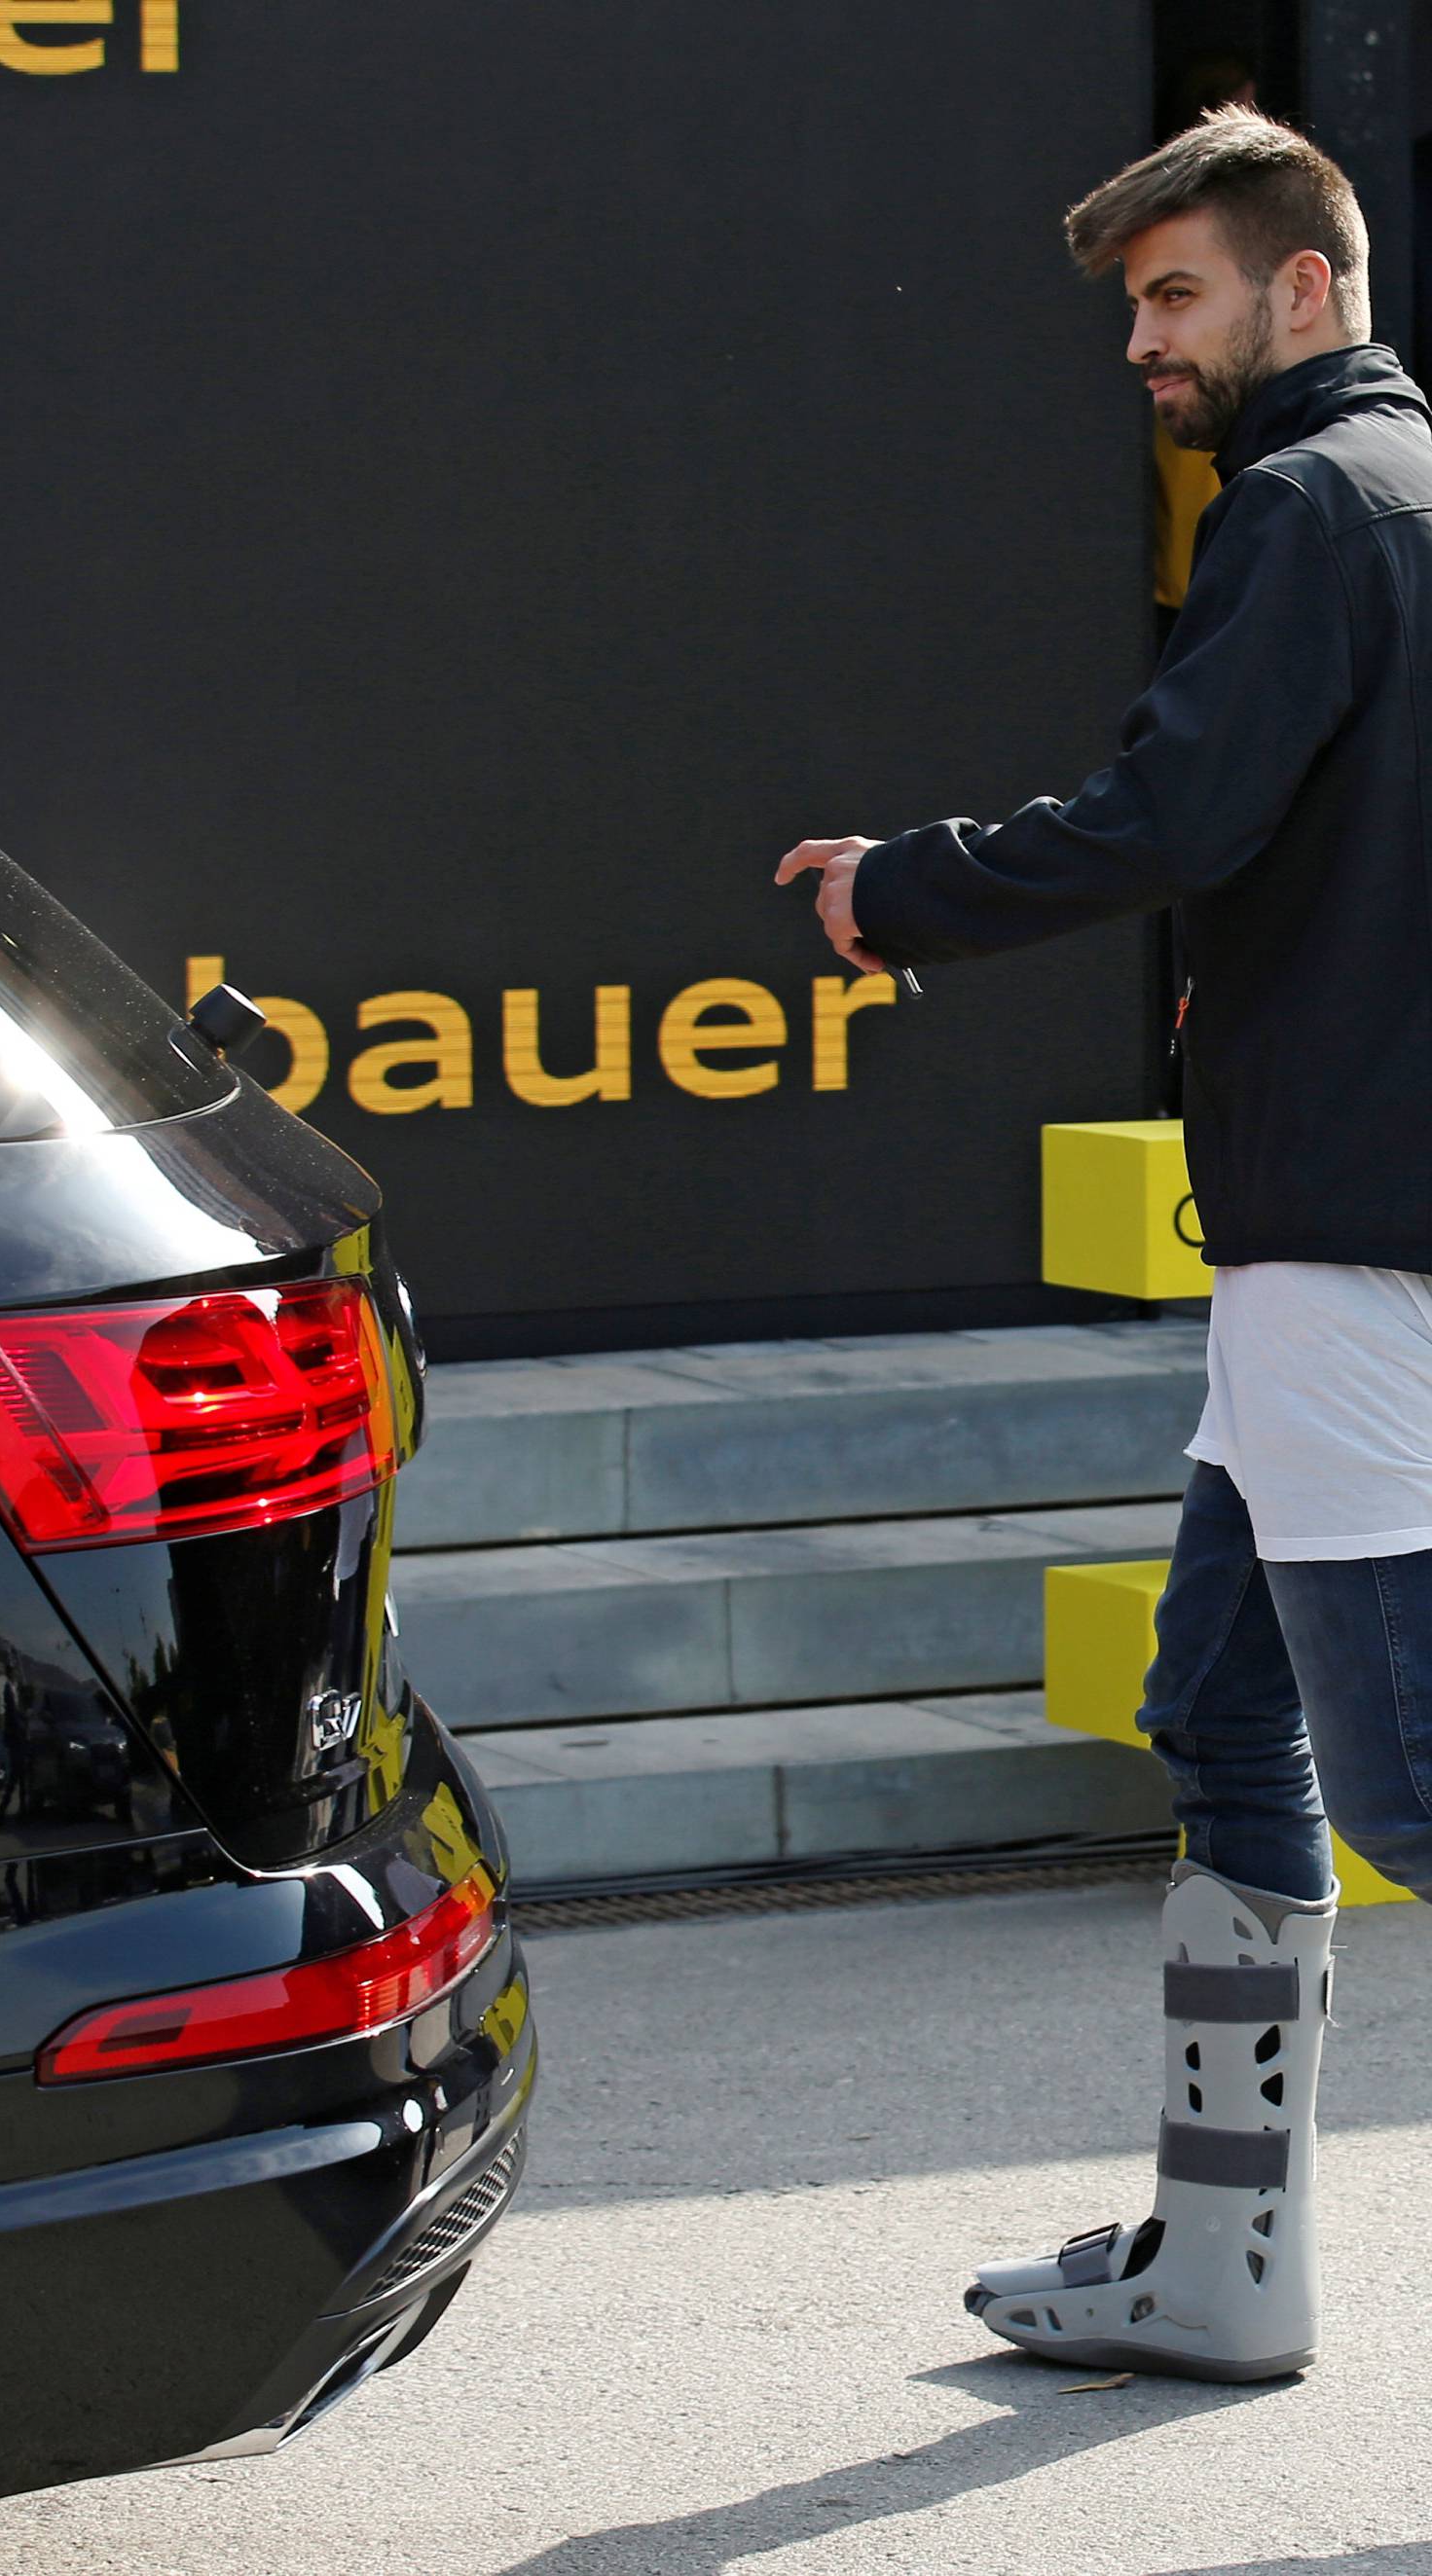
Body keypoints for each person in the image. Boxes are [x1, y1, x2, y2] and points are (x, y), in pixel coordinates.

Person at [777, 106, 1432, 2386]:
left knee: (1417, 1783)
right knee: (1220, 1705)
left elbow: (1178, 809)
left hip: (1353, 1257)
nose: (1144, 346)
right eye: (1134, 308)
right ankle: (1225, 2264)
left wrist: (904, 888)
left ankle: (1224, 2263)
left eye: (1175, 298)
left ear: (1306, 287)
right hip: (1339, 1245)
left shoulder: (1312, 504)